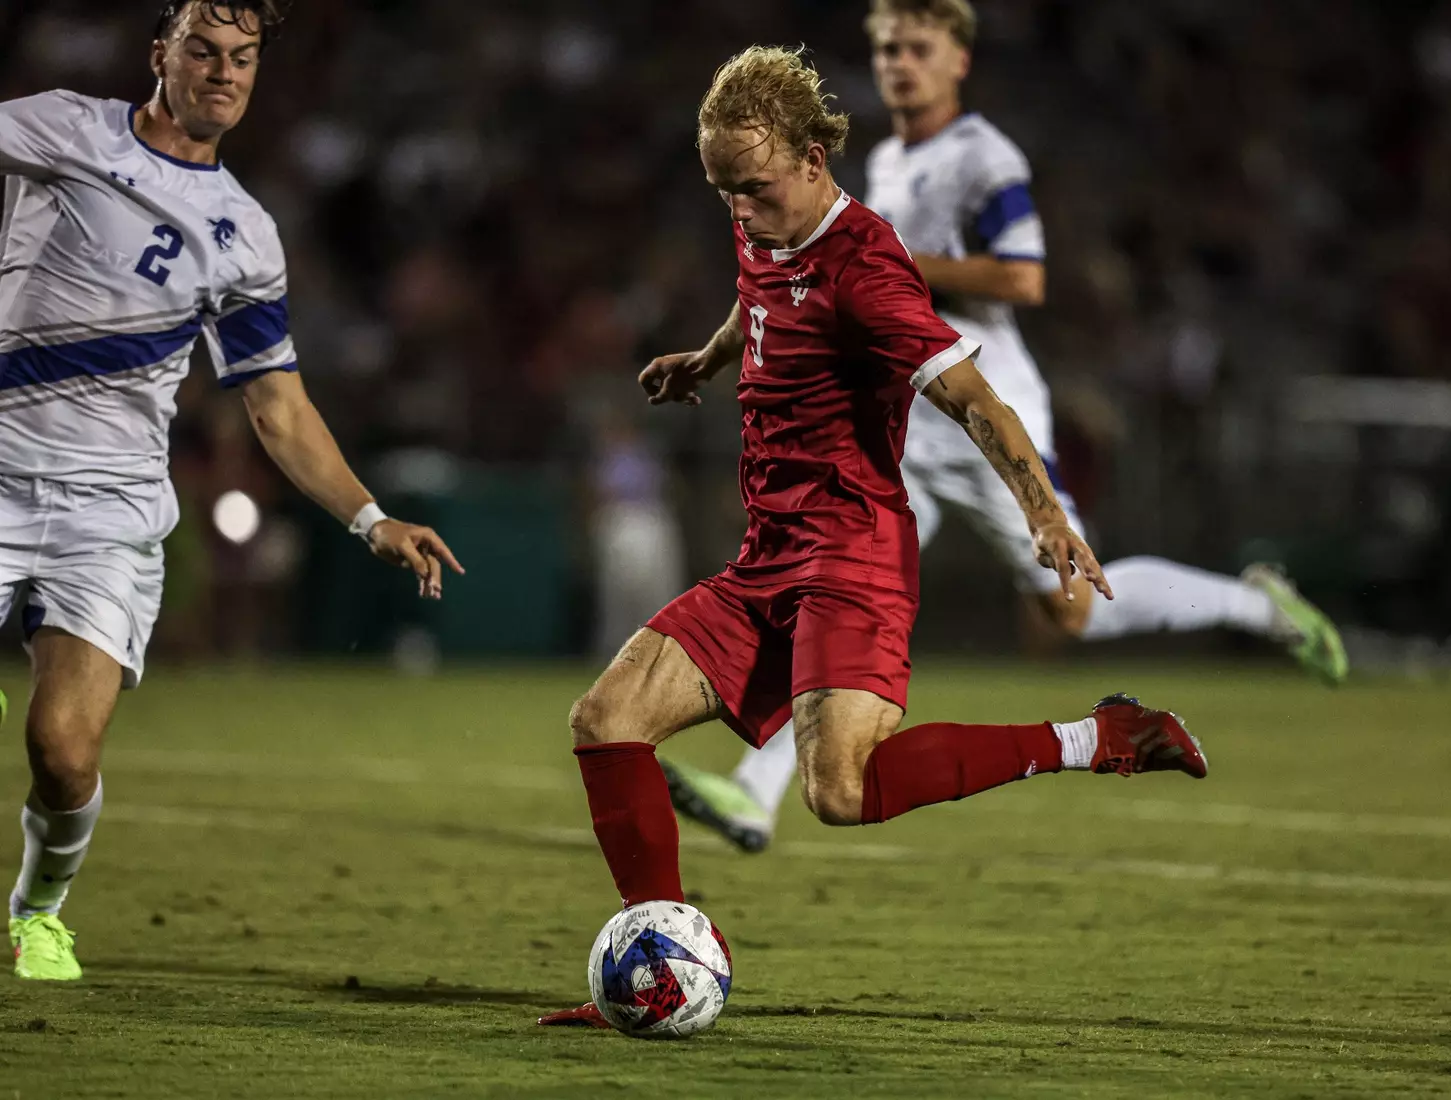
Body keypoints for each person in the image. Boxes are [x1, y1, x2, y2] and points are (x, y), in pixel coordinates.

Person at [539, 44, 1205, 1029]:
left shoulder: (867, 265)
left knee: (840, 792)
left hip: (851, 556)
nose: (740, 211)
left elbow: (972, 397)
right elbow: (758, 286)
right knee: (606, 719)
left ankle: (1099, 735)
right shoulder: (763, 220)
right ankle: (653, 963)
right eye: (723, 191)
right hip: (767, 555)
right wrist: (712, 357)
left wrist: (1044, 508)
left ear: (814, 156)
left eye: (755, 189)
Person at [661, 0, 1348, 853]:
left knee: (1072, 615)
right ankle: (755, 796)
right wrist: (716, 352)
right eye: (885, 49)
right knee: (829, 578)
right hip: (906, 410)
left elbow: (1023, 279)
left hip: (981, 398)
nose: (898, 64)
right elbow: (790, 277)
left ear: (959, 60)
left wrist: (892, 259)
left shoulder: (987, 158)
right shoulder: (883, 160)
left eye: (918, 48)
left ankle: (1256, 607)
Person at [0, 0, 462, 981]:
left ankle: (38, 909)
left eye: (242, 59)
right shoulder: (64, 128)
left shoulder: (245, 234)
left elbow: (278, 408)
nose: (223, 74)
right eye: (203, 52)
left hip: (110, 512)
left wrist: (370, 517)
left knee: (64, 752)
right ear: (158, 52)